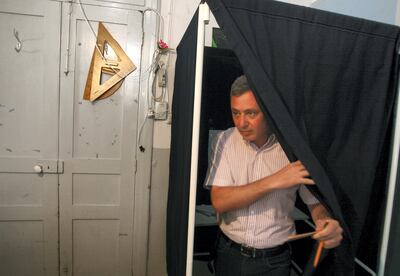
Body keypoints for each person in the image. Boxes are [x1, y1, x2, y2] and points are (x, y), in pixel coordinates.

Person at [204, 75, 343, 276]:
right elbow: (220, 201)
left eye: (251, 113)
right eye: (236, 113)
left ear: (268, 110)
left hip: (274, 262)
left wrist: (324, 222)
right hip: (229, 253)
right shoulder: (224, 140)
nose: (241, 122)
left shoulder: (294, 149)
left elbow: (315, 203)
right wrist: (274, 181)